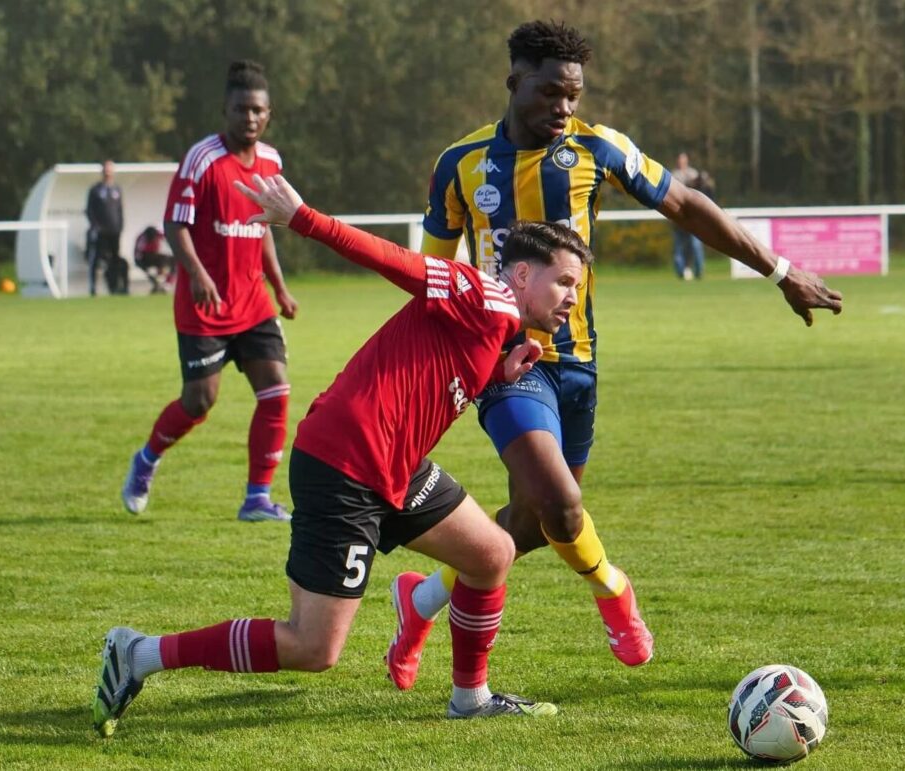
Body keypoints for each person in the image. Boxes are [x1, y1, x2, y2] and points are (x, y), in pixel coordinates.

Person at [387, 19, 843, 690]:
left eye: (573, 95)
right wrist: (428, 372)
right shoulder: (461, 164)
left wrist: (779, 271)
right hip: (507, 368)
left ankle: (420, 599)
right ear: (516, 81)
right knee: (563, 504)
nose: (564, 108)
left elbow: (685, 203)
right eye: (550, 93)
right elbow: (429, 276)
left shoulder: (597, 148)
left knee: (539, 521)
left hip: (579, 364)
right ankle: (613, 589)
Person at [92, 172, 591, 737]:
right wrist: (304, 218)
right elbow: (395, 262)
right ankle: (139, 654)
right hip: (346, 465)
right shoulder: (481, 292)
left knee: (492, 553)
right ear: (523, 274)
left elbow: (432, 372)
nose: (571, 297)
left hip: (393, 468)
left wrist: (499, 370)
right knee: (312, 647)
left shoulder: (495, 323)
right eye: (564, 282)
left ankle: (470, 698)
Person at [119, 60, 298, 522]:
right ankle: (147, 459)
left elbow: (264, 231)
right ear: (226, 110)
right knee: (200, 401)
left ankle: (257, 498)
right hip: (206, 305)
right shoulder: (202, 159)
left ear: (268, 113)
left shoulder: (272, 162)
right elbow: (174, 223)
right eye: (241, 110)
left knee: (276, 391)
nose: (250, 118)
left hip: (253, 301)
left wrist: (279, 288)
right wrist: (196, 274)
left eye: (258, 110)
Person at [85, 159, 128, 295]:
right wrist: (95, 226)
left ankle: (114, 287)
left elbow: (120, 210)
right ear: (102, 171)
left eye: (110, 170)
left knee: (115, 260)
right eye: (106, 170)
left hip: (114, 231)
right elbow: (89, 210)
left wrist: (120, 226)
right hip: (100, 232)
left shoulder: (117, 189)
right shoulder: (95, 190)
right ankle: (93, 288)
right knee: (97, 260)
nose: (108, 172)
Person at [671, 152, 707, 280]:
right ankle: (681, 273)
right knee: (679, 247)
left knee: (696, 245)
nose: (682, 162)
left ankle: (699, 271)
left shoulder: (693, 173)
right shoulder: (674, 175)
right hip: (678, 217)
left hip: (693, 217)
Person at [133, 225, 176, 293]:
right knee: (169, 262)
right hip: (145, 259)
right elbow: (138, 256)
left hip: (155, 257)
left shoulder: (160, 234)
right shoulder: (142, 240)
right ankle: (159, 283)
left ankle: (165, 283)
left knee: (174, 262)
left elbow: (170, 244)